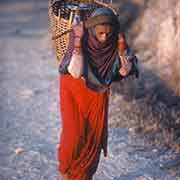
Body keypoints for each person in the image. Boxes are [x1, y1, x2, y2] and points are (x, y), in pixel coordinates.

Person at [58, 7, 138, 180]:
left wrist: (122, 49)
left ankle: (85, 176)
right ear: (92, 29)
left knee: (93, 138)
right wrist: (78, 43)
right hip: (73, 87)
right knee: (73, 135)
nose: (104, 38)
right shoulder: (80, 35)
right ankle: (65, 173)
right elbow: (75, 71)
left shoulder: (115, 42)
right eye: (100, 33)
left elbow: (124, 71)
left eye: (108, 34)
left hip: (97, 93)